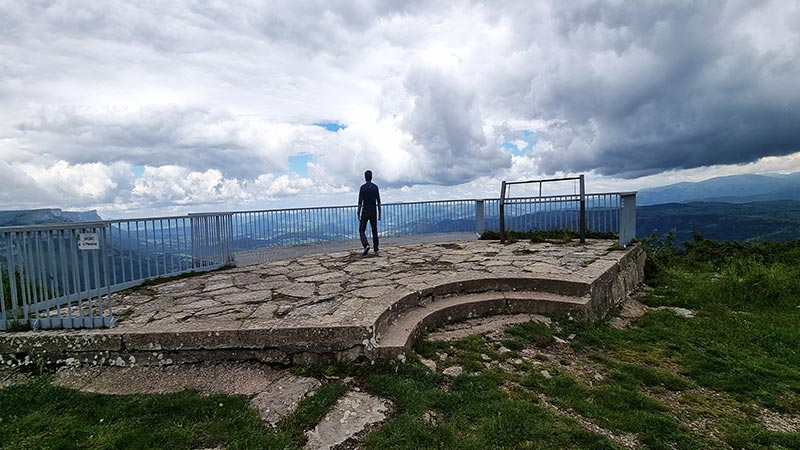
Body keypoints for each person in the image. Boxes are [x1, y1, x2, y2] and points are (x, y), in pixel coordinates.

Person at [357, 170, 381, 255]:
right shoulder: (375, 187)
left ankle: (366, 245)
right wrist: (380, 213)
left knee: (361, 230)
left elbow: (360, 202)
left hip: (365, 211)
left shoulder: (362, 188)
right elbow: (378, 201)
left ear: (365, 177)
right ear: (371, 177)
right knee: (374, 230)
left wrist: (358, 212)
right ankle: (376, 248)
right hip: (373, 211)